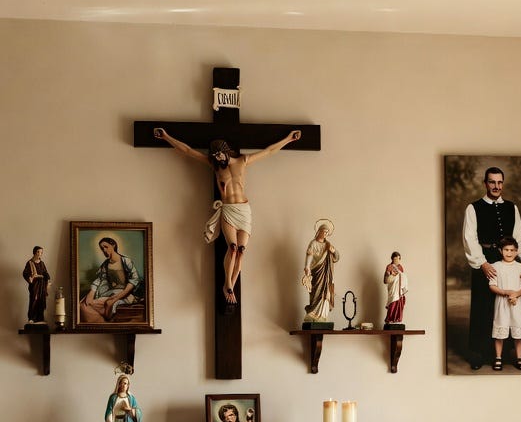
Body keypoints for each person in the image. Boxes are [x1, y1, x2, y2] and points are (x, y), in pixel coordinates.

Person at [154, 125, 301, 305]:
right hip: (229, 210)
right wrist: (166, 137)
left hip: (244, 210)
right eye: (214, 156)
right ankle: (228, 284)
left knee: (241, 251)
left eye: (219, 155)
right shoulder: (215, 166)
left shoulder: (243, 161)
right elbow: (188, 150)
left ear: (226, 151)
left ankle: (231, 283)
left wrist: (289, 139)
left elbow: (269, 151)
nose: (217, 158)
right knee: (232, 247)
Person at [462, 166, 521, 369]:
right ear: (485, 183)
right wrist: (482, 263)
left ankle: (503, 353)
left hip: (508, 261)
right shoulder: (473, 208)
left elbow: (519, 236)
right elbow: (469, 238)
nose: (496, 186)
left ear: (502, 184)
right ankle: (478, 353)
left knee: (506, 306)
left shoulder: (512, 207)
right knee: (483, 306)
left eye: (499, 182)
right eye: (492, 182)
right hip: (484, 260)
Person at [487, 236, 521, 371]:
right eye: (506, 250)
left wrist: (516, 294)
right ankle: (498, 357)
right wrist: (506, 292)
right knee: (500, 331)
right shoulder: (496, 266)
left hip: (517, 303)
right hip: (502, 303)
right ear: (500, 251)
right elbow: (492, 286)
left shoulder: (520, 267)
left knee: (518, 332)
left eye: (512, 250)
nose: (509, 253)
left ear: (516, 252)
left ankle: (519, 358)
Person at [80, 236, 142, 324]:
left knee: (108, 304)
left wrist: (117, 297)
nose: (104, 250)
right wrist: (91, 293)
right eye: (102, 248)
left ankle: (106, 322)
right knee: (85, 304)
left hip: (124, 294)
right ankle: (101, 324)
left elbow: (134, 279)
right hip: (110, 293)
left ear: (113, 245)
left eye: (106, 247)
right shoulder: (105, 265)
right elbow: (100, 279)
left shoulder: (125, 261)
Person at [302, 219, 339, 324]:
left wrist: (333, 251)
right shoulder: (313, 243)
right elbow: (309, 255)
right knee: (315, 292)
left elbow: (336, 257)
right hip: (316, 271)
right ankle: (313, 313)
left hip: (326, 274)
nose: (326, 234)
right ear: (319, 231)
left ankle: (322, 315)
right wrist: (307, 267)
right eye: (324, 231)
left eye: (327, 232)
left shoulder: (328, 245)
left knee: (325, 293)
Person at [22, 245, 50, 324]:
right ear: (34, 252)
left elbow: (45, 272)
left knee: (41, 300)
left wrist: (47, 278)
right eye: (38, 252)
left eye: (41, 252)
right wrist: (29, 278)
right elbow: (25, 273)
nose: (39, 254)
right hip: (34, 285)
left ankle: (40, 318)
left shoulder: (42, 263)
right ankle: (31, 317)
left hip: (42, 284)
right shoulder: (30, 263)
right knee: (34, 299)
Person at [383, 252, 408, 326]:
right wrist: (391, 275)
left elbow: (402, 277)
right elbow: (386, 280)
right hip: (393, 288)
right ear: (392, 259)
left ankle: (396, 319)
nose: (397, 260)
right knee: (393, 302)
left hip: (399, 289)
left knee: (399, 303)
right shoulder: (389, 267)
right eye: (395, 259)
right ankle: (389, 319)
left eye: (398, 259)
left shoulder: (400, 267)